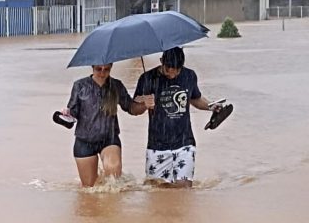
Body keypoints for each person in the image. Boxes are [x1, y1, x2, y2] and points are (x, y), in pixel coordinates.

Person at [134, 47, 222, 188]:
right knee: (157, 191)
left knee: (184, 189)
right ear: (161, 61)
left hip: (184, 142)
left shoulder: (189, 75)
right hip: (157, 145)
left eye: (177, 70)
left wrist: (211, 106)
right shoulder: (147, 78)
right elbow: (134, 109)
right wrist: (144, 103)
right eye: (168, 70)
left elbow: (195, 99)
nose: (172, 74)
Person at [62, 63, 147, 187]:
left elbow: (131, 107)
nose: (102, 73)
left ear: (111, 68)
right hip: (84, 140)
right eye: (98, 69)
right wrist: (67, 114)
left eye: (106, 70)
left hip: (109, 138)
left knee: (113, 175)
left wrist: (144, 105)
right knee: (89, 189)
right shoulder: (79, 85)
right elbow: (73, 112)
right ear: (92, 67)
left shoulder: (116, 86)